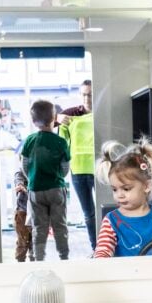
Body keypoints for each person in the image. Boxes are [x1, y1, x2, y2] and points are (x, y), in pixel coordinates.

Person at [22, 100, 71, 261]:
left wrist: (33, 178)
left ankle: (39, 258)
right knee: (60, 225)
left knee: (39, 227)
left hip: (35, 189)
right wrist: (56, 177)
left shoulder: (29, 140)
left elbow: (25, 165)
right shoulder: (60, 142)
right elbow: (65, 168)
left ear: (33, 121)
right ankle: (63, 257)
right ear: (54, 118)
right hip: (56, 188)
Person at [57, 79, 96, 249]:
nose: (87, 98)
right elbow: (46, 122)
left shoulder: (103, 112)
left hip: (99, 169)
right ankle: (96, 247)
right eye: (84, 94)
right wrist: (57, 118)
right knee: (88, 213)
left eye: (90, 94)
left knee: (106, 210)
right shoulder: (71, 114)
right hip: (78, 170)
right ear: (80, 95)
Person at [13, 168, 34, 262]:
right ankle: (20, 261)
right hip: (23, 212)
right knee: (22, 241)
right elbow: (18, 178)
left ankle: (34, 260)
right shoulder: (21, 172)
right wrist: (20, 185)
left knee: (36, 241)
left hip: (37, 211)